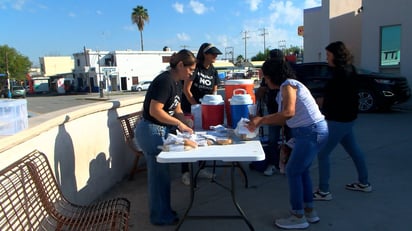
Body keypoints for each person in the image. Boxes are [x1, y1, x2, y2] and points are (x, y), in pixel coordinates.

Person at [246, 58, 328, 229]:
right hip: (312, 131)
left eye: (266, 78)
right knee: (301, 171)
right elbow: (283, 118)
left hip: (310, 132)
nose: (265, 82)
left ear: (273, 76)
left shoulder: (288, 85)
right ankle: (309, 212)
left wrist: (261, 120)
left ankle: (298, 216)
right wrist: (261, 121)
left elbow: (288, 113)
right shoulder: (288, 86)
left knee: (292, 171)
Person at [134, 49, 196, 226]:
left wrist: (186, 123)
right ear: (180, 65)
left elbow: (176, 109)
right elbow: (155, 110)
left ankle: (164, 211)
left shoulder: (177, 83)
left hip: (160, 130)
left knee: (163, 175)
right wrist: (179, 125)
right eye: (190, 69)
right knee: (158, 176)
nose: (191, 73)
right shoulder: (165, 81)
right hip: (151, 131)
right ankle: (160, 216)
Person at [313, 41, 372, 201]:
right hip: (348, 119)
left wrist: (321, 102)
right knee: (354, 151)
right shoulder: (350, 69)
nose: (327, 58)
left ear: (336, 56)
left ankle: (324, 191)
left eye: (328, 55)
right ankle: (364, 183)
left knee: (323, 153)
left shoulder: (340, 74)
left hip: (338, 120)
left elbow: (337, 99)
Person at [180, 43, 222, 185]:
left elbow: (214, 92)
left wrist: (211, 105)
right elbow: (186, 89)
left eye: (216, 54)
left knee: (203, 138)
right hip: (189, 109)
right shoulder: (195, 67)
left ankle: (201, 168)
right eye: (213, 53)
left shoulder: (213, 71)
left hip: (205, 109)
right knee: (187, 139)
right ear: (205, 54)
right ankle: (185, 171)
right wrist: (196, 105)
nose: (215, 56)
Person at [255, 49, 285, 176]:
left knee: (290, 139)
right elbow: (259, 93)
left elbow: (289, 111)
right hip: (273, 111)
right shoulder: (269, 74)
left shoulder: (287, 77)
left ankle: (286, 163)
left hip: (286, 114)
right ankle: (273, 163)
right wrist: (262, 90)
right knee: (273, 140)